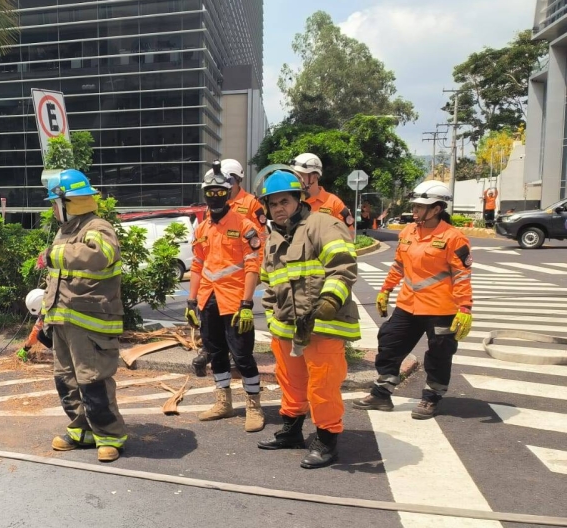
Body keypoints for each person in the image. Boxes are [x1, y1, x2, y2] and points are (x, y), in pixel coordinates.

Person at [256, 171, 360, 469]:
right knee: (291, 382)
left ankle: (327, 440)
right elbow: (270, 283)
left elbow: (342, 268)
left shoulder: (323, 224)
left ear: (299, 199)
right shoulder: (273, 239)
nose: (278, 208)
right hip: (286, 327)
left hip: (322, 325)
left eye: (284, 201)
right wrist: (272, 318)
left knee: (323, 385)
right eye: (272, 203)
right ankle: (291, 431)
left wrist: (329, 301)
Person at [354, 181, 472, 419]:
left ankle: (431, 397)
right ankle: (382, 393)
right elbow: (399, 265)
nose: (415, 211)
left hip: (441, 308)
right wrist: (386, 289)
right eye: (415, 206)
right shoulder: (408, 232)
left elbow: (461, 275)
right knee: (389, 343)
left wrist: (465, 307)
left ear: (437, 209)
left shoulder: (453, 238)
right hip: (408, 304)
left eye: (420, 207)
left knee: (439, 353)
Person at [39, 169, 127, 463]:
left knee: (93, 380)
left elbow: (100, 254)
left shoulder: (97, 227)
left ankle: (110, 436)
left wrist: (55, 254)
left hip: (90, 322)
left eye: (55, 203)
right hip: (63, 320)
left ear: (69, 202)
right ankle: (82, 431)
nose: (52, 209)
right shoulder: (65, 231)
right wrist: (44, 316)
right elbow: (57, 280)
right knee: (66, 379)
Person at [185, 163, 265, 431]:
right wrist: (191, 301)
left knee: (242, 356)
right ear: (205, 193)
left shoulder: (245, 226)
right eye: (210, 191)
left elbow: (253, 265)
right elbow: (197, 265)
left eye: (220, 191)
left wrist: (247, 303)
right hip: (208, 300)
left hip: (234, 301)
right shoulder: (202, 228)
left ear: (229, 191)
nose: (215, 196)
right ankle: (224, 402)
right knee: (216, 353)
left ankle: (254, 405)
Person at [290, 153, 355, 235]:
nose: (295, 180)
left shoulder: (334, 203)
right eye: (294, 176)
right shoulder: (292, 202)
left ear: (314, 177)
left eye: (300, 176)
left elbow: (350, 234)